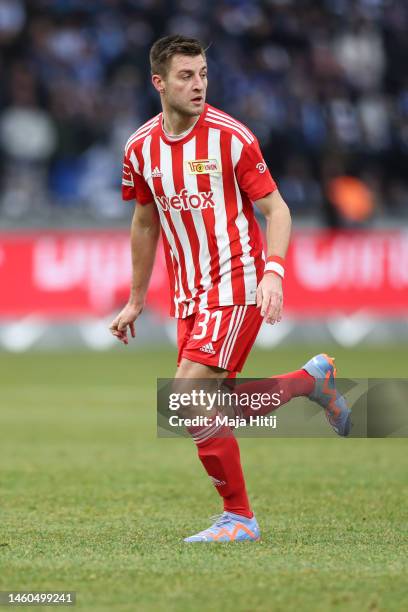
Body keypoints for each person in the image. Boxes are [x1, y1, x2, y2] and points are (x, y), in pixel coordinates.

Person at [109, 35, 351, 543]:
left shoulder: (230, 137)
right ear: (159, 82)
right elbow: (144, 223)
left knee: (185, 396)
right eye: (185, 76)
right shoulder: (139, 147)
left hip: (237, 281)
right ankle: (312, 382)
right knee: (202, 402)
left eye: (202, 75)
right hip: (189, 295)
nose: (198, 85)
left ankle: (240, 518)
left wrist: (274, 272)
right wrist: (135, 298)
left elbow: (277, 210)